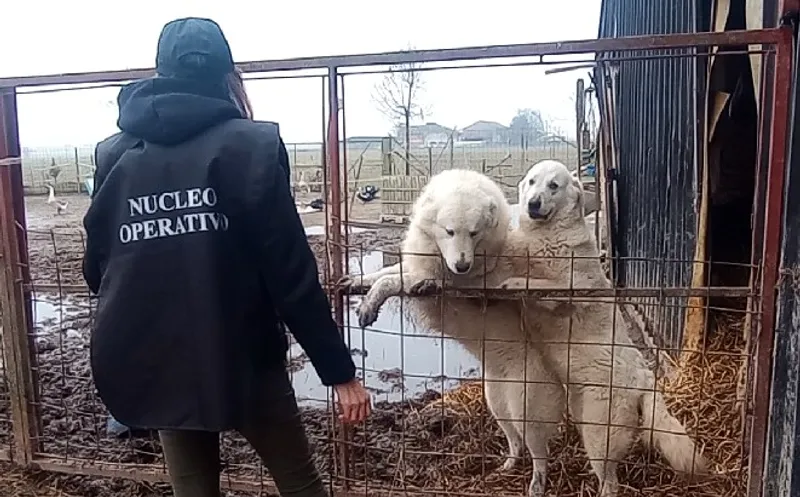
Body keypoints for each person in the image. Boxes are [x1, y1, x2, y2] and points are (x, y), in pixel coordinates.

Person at [82, 17, 371, 497]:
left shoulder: (114, 154)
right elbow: (290, 273)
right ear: (226, 73)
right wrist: (339, 372)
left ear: (161, 70)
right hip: (245, 357)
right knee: (300, 485)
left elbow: (98, 269)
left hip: (163, 361)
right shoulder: (251, 146)